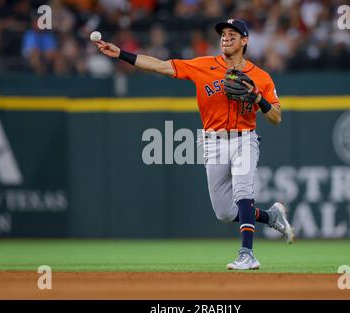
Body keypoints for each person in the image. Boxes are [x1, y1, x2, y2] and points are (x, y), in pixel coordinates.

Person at [93, 18, 294, 270]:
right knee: (224, 212)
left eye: (233, 33)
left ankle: (247, 253)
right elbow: (160, 66)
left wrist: (258, 98)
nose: (226, 37)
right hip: (213, 142)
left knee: (244, 192)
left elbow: (276, 117)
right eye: (223, 33)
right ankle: (271, 216)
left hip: (245, 138)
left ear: (245, 41)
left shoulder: (260, 76)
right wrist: (122, 54)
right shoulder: (204, 65)